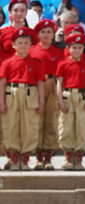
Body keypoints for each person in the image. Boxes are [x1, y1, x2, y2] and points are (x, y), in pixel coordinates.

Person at [0, 27, 44, 171]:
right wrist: (1, 101)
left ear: (31, 45)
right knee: (11, 125)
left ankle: (25, 159)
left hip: (30, 94)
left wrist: (41, 102)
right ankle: (14, 158)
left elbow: (40, 84)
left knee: (29, 126)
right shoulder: (7, 62)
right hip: (11, 94)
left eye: (26, 43)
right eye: (20, 43)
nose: (23, 46)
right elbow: (2, 82)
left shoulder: (36, 63)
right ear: (13, 45)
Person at [56, 31, 85, 171]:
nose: (76, 50)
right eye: (73, 47)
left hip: (83, 97)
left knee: (82, 126)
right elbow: (59, 84)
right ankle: (68, 157)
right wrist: (60, 101)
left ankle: (79, 157)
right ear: (68, 48)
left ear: (83, 49)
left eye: (79, 47)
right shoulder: (63, 64)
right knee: (66, 126)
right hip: (68, 96)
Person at [29, 19, 63, 170]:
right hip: (37, 86)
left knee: (51, 119)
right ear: (37, 34)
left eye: (49, 32)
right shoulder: (32, 50)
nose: (46, 35)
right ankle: (38, 156)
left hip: (53, 84)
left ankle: (48, 156)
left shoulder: (58, 52)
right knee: (37, 120)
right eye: (43, 32)